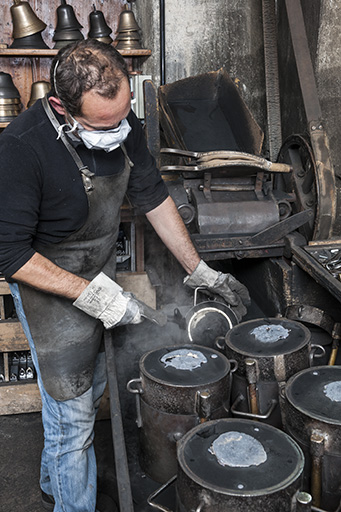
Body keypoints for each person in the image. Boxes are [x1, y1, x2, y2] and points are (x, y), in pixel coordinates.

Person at [0, 39, 250, 512]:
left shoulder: (123, 122)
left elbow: (151, 193)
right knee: (72, 416)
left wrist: (198, 269)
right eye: (103, 125)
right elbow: (8, 254)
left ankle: (55, 481)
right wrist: (92, 297)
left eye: (123, 115)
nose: (117, 130)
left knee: (91, 388)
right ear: (60, 106)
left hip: (98, 275)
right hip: (47, 286)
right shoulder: (19, 148)